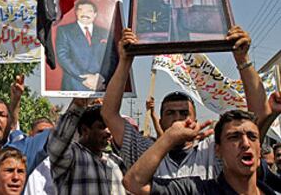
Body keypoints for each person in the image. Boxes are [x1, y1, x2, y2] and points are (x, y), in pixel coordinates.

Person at [101, 26, 275, 179]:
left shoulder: (214, 151)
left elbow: (259, 115)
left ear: (195, 121)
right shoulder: (145, 150)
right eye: (170, 113)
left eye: (184, 113)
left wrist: (242, 59)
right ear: (160, 122)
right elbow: (109, 114)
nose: (178, 119)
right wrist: (125, 60)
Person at [123, 110, 275, 194]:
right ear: (218, 150)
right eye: (234, 137)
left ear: (259, 149)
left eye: (252, 136)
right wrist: (170, 137)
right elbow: (134, 183)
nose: (245, 144)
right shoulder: (197, 190)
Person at [47, 98, 127, 195]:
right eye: (102, 127)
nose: (109, 132)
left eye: (110, 127)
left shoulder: (116, 162)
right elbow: (57, 145)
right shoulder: (72, 156)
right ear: (85, 130)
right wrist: (78, 106)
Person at [56, 0, 117, 91]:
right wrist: (85, 78)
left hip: (100, 85)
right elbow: (62, 57)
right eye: (81, 10)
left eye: (89, 11)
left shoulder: (105, 33)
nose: (85, 14)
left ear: (95, 14)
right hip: (74, 86)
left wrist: (101, 78)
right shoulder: (64, 31)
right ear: (76, 13)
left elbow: (112, 58)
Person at [24, 117, 55, 195]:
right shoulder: (23, 158)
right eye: (40, 132)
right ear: (31, 134)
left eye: (50, 132)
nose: (45, 136)